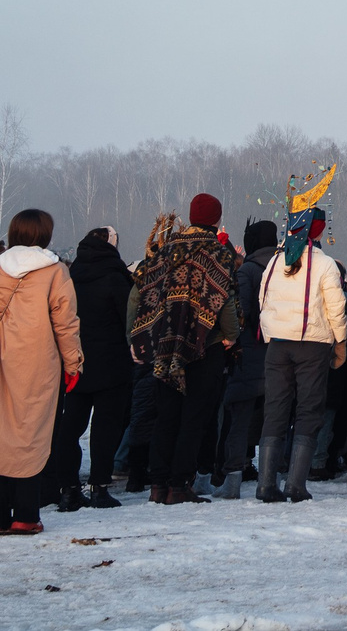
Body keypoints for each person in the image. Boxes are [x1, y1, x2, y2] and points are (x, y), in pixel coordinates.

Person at [129, 195, 240, 505]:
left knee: (166, 415)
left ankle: (158, 484)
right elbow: (226, 299)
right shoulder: (218, 252)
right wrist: (231, 335)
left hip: (165, 345)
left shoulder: (165, 251)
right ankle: (179, 484)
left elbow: (142, 294)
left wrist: (136, 337)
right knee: (194, 417)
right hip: (206, 344)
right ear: (217, 219)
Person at [255, 204, 347, 504]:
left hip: (278, 344)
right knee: (309, 410)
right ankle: (295, 483)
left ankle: (266, 483)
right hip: (312, 343)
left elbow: (262, 299)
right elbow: (335, 307)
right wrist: (341, 342)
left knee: (276, 409)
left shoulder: (274, 261)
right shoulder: (324, 264)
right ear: (318, 231)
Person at [2, 210, 82, 535]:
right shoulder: (55, 271)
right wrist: (74, 363)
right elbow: (65, 323)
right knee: (32, 437)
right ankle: (25, 514)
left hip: (3, 361)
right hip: (37, 364)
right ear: (46, 234)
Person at [51, 228, 132, 512]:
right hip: (111, 362)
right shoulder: (116, 275)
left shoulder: (70, 275)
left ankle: (68, 489)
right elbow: (128, 318)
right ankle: (99, 487)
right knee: (105, 428)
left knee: (70, 426)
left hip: (75, 361)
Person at [216, 219, 279, 499]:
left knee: (239, 419)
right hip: (279, 354)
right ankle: (269, 477)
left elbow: (240, 314)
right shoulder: (286, 268)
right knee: (273, 419)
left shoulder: (249, 271)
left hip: (249, 354)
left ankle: (232, 479)